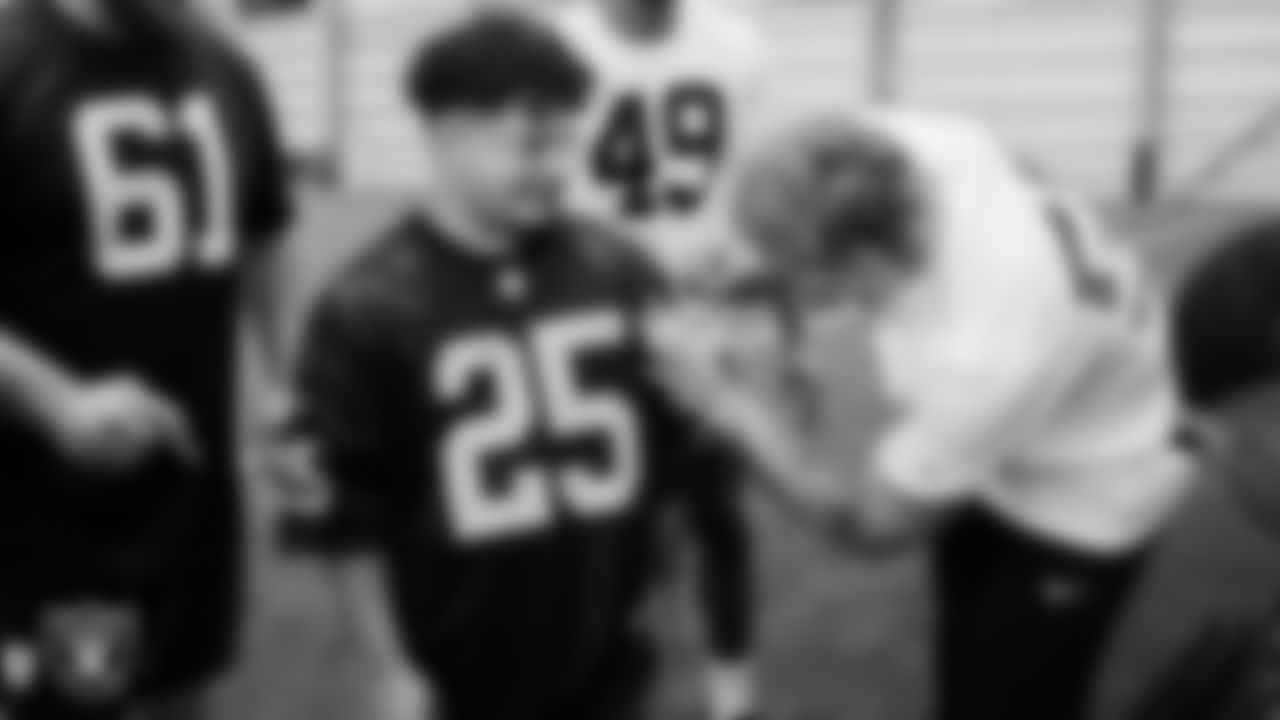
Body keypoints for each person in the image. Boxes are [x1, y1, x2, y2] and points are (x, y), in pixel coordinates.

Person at [271, 9, 772, 720]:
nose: (552, 171)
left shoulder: (620, 269)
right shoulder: (364, 310)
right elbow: (348, 519)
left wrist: (675, 628)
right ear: (444, 135)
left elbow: (668, 482)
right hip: (457, 670)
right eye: (526, 147)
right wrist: (387, 666)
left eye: (563, 144)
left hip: (609, 667)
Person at [660, 108, 1195, 720]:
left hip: (1091, 486)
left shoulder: (988, 348)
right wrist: (779, 297)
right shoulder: (913, 149)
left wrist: (731, 412)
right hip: (1013, 428)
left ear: (863, 263)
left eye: (802, 279)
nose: (789, 290)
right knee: (964, 651)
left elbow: (867, 526)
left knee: (1016, 700)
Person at [0, 0, 294, 718]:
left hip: (191, 492)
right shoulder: (12, 63)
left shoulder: (222, 66)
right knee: (73, 705)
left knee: (184, 692)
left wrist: (285, 381)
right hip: (52, 512)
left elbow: (264, 230)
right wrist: (55, 401)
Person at [552, 1, 769, 715]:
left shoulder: (735, 42)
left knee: (718, 513)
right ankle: (605, 674)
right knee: (599, 518)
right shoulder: (560, 46)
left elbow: (757, 182)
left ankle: (730, 690)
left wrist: (762, 292)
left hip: (706, 317)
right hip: (591, 317)